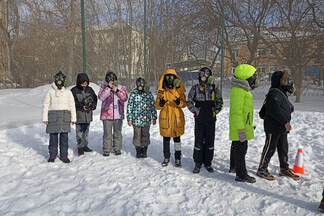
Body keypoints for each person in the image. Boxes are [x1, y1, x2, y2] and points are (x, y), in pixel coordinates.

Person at [256, 69, 300, 181]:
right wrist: (285, 122)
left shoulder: (281, 91)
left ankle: (284, 168)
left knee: (283, 147)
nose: (287, 81)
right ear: (279, 80)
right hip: (273, 126)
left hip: (281, 126)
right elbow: (274, 110)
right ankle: (262, 168)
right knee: (270, 147)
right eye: (285, 79)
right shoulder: (274, 92)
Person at [187, 66, 223, 174]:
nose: (203, 76)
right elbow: (189, 102)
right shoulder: (195, 88)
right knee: (198, 140)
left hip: (211, 119)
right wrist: (197, 111)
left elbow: (219, 102)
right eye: (201, 74)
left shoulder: (214, 88)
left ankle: (208, 162)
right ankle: (197, 163)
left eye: (206, 74)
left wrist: (214, 112)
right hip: (199, 119)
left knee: (209, 141)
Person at [229, 64, 258, 183]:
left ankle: (234, 167)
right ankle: (241, 175)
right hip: (239, 127)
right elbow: (236, 113)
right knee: (241, 150)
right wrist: (241, 129)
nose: (254, 78)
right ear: (246, 76)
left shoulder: (243, 90)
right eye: (253, 75)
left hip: (243, 125)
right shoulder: (238, 91)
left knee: (237, 148)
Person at [42, 71, 76, 163]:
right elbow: (46, 104)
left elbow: (72, 105)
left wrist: (73, 118)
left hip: (65, 117)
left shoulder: (68, 92)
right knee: (53, 138)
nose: (59, 80)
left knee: (64, 138)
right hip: (53, 117)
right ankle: (52, 155)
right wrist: (45, 118)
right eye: (57, 78)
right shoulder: (50, 92)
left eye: (61, 79)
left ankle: (64, 155)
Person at [155, 69, 186, 167]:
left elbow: (184, 104)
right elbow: (156, 106)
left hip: (177, 119)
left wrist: (179, 103)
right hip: (166, 118)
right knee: (166, 140)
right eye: (167, 77)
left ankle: (178, 159)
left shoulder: (179, 91)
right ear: (164, 78)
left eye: (171, 77)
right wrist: (160, 104)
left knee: (177, 140)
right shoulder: (161, 92)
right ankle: (166, 157)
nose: (169, 79)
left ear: (175, 78)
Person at [98, 70, 128, 156]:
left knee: (117, 133)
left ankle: (117, 148)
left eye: (112, 79)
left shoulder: (120, 87)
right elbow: (101, 97)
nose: (111, 81)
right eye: (109, 79)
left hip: (118, 114)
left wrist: (117, 90)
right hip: (107, 115)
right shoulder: (104, 87)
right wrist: (108, 88)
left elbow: (124, 97)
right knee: (107, 133)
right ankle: (107, 149)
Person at [127, 77, 157, 158]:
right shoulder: (133, 94)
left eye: (142, 84)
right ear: (136, 84)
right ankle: (138, 150)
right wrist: (129, 118)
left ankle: (144, 150)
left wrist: (154, 117)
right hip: (136, 120)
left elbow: (152, 106)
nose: (141, 85)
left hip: (146, 120)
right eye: (139, 84)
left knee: (145, 135)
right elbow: (130, 107)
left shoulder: (148, 94)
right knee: (137, 136)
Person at [71, 73, 97, 156]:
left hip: (88, 115)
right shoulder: (74, 91)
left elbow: (94, 98)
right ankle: (80, 147)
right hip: (79, 115)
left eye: (86, 83)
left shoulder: (90, 89)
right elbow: (72, 102)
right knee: (79, 132)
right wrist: (81, 106)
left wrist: (93, 105)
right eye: (83, 83)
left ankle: (85, 145)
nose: (84, 85)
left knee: (86, 131)